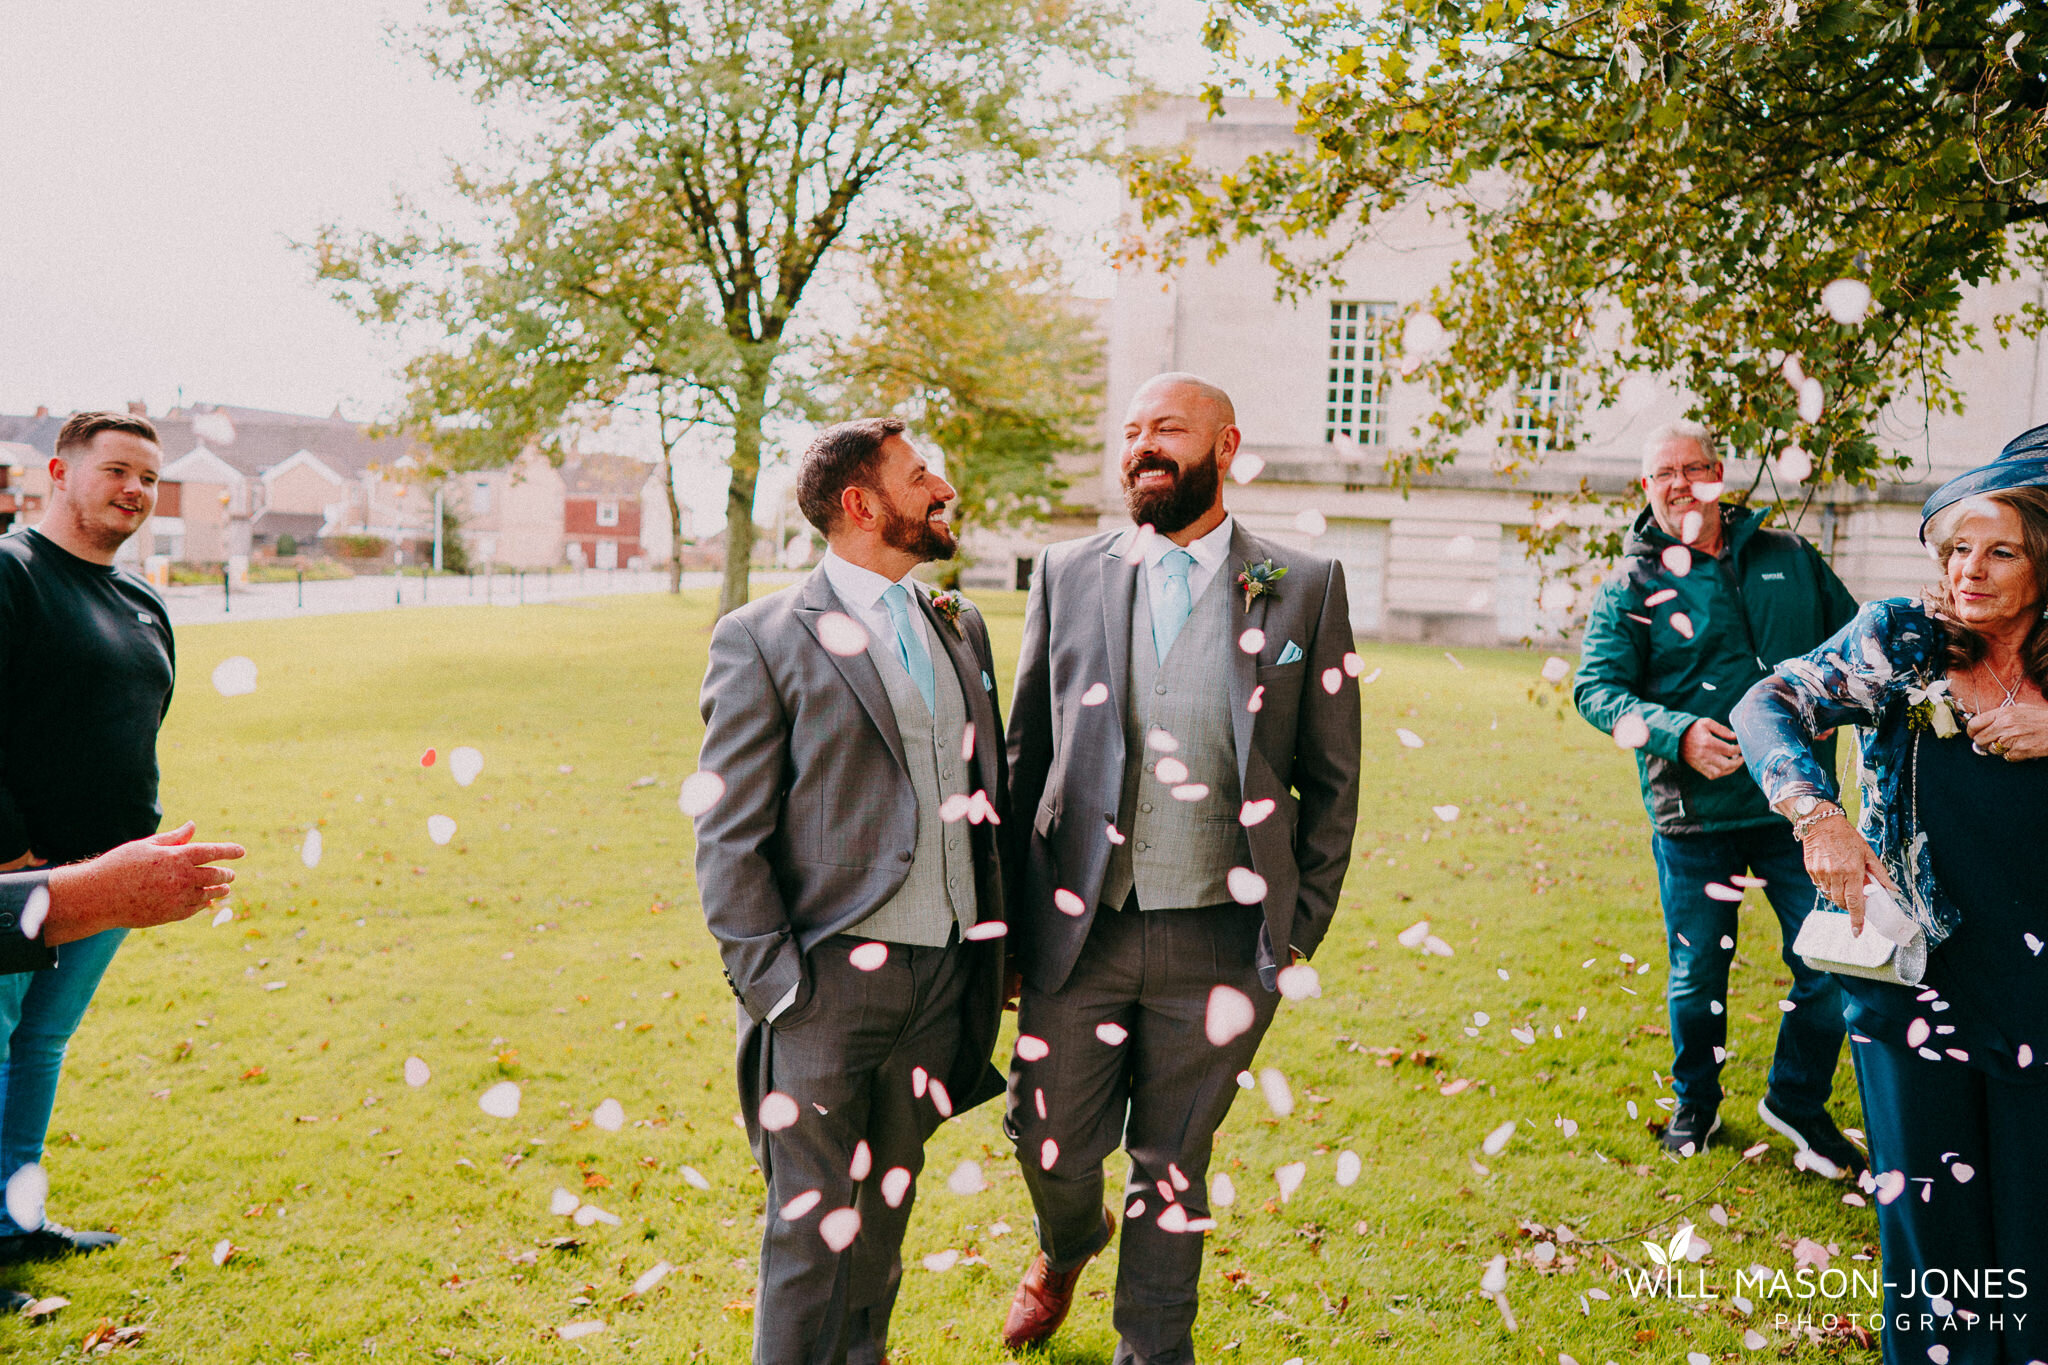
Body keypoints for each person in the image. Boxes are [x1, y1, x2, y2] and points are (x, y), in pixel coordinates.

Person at [998, 373, 1361, 1362]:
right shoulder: (1065, 571)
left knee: (1170, 1164)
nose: (1142, 447)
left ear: (1224, 445)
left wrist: (1292, 932)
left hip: (1220, 936)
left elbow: (1331, 781)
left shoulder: (1304, 582)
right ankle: (1066, 1240)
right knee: (1050, 1145)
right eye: (1129, 432)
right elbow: (1023, 755)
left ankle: (1151, 1350)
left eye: (1166, 429)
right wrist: (1006, 935)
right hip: (1078, 928)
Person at [693, 418, 1009, 1365]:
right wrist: (780, 988)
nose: (942, 485)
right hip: (825, 987)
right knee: (807, 1234)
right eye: (921, 475)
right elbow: (728, 831)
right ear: (862, 504)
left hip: (941, 981)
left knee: (880, 1228)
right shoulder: (759, 639)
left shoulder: (960, 622)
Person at [1732, 425, 2048, 1365]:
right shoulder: (1901, 642)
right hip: (1915, 990)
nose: (1970, 571)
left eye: (2000, 550)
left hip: (2040, 994)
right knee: (1935, 1254)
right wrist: (1815, 812)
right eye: (1957, 547)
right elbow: (1769, 705)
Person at [1573, 421, 1863, 1170]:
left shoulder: (1790, 558)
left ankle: (1796, 1099)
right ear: (1648, 488)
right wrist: (1676, 734)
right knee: (1699, 974)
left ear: (1719, 473)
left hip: (1799, 811)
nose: (1680, 483)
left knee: (1833, 963)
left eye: (1693, 467)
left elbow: (1856, 648)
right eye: (1663, 472)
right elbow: (1596, 690)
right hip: (1694, 819)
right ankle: (1696, 1104)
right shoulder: (1629, 587)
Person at [0, 410, 181, 1265]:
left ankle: (15, 1221)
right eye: (116, 470)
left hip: (109, 876)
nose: (134, 490)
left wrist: (131, 853)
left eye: (148, 477)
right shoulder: (12, 575)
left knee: (40, 1043)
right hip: (19, 881)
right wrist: (11, 851)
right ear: (59, 472)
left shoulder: (142, 598)